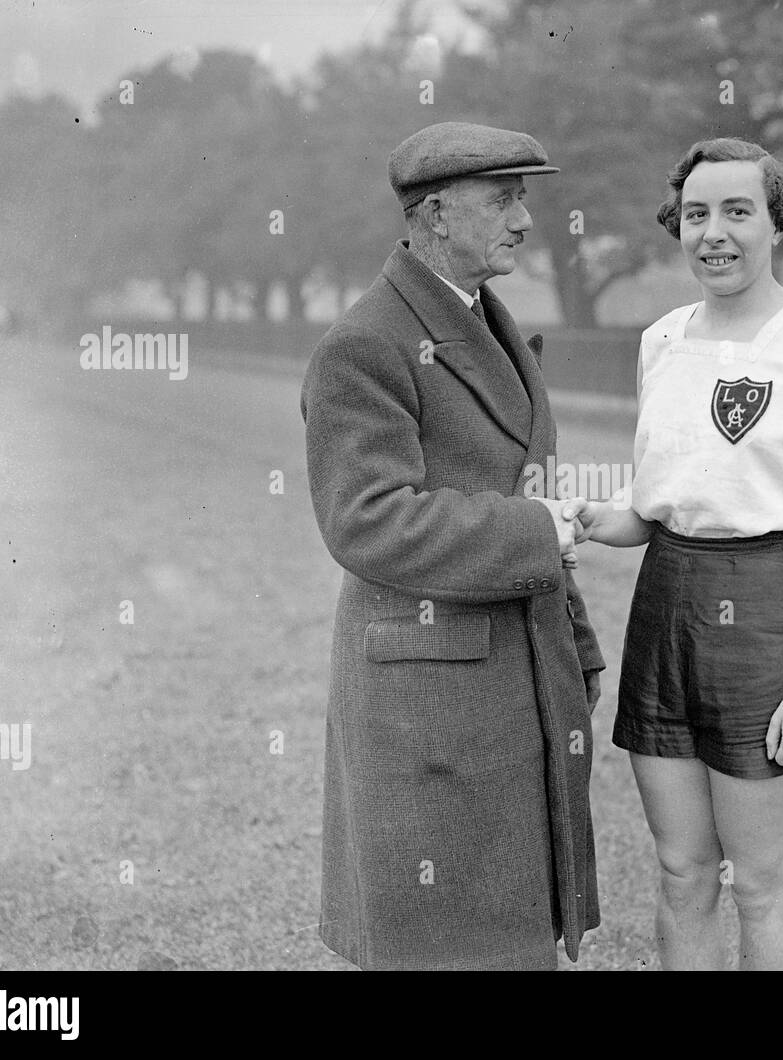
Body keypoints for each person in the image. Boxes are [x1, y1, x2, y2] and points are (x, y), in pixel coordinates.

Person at [300, 121, 605, 970]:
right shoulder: (367, 343)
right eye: (503, 200)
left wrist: (575, 646)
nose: (523, 220)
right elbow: (365, 518)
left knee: (506, 940)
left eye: (524, 198)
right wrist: (536, 532)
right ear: (435, 213)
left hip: (508, 670)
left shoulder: (487, 319)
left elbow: (522, 489)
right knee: (441, 947)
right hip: (426, 702)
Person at [578, 137, 783, 970]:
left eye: (737, 211)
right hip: (665, 599)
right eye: (697, 213)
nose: (715, 232)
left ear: (776, 222)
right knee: (681, 870)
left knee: (762, 883)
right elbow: (660, 503)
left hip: (766, 609)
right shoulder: (661, 340)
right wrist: (598, 519)